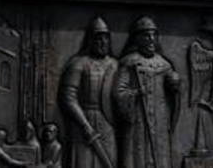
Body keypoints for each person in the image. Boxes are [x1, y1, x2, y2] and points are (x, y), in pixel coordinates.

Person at [112, 18, 180, 168]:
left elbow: (173, 100)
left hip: (159, 120)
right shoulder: (130, 62)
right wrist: (136, 93)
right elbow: (119, 93)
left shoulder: (164, 65)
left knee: (160, 155)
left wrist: (174, 87)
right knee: (137, 155)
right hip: (138, 120)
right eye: (146, 36)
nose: (151, 40)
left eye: (154, 35)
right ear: (137, 38)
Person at [59, 17, 118, 168]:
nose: (102, 42)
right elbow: (68, 97)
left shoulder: (115, 65)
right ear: (90, 40)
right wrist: (85, 125)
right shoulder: (79, 63)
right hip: (82, 121)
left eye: (105, 38)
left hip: (108, 123)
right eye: (98, 38)